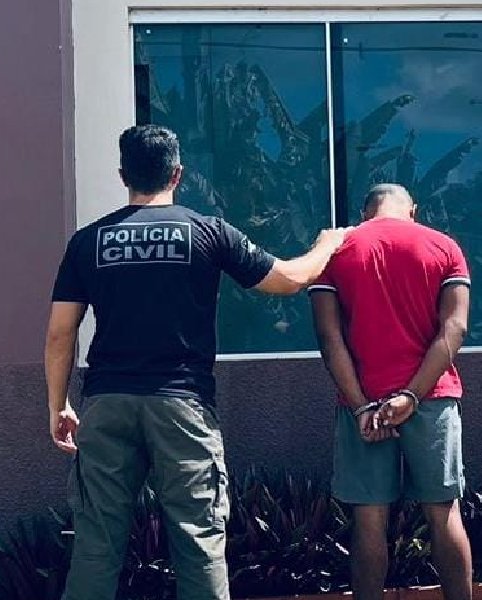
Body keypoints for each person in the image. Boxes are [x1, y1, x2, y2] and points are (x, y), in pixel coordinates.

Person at [44, 125, 348, 600]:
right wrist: (328, 244)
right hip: (182, 405)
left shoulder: (88, 241)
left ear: (123, 175)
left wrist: (58, 404)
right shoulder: (207, 232)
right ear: (178, 175)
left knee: (95, 545)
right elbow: (288, 280)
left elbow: (60, 333)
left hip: (107, 403)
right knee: (198, 540)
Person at [309, 184, 473, 600]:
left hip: (363, 402)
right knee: (443, 514)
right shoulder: (444, 246)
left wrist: (361, 405)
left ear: (365, 212)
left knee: (369, 521)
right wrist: (412, 396)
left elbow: (329, 339)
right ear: (412, 210)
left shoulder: (336, 250)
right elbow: (455, 328)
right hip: (431, 399)